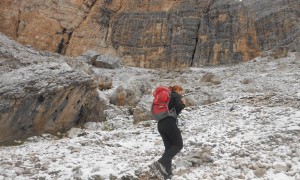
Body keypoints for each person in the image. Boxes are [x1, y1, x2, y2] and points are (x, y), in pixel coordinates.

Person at [150, 85, 186, 179]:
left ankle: (167, 173)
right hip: (169, 122)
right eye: (181, 91)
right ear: (178, 90)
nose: (182, 93)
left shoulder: (165, 97)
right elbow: (178, 108)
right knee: (179, 145)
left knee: (169, 148)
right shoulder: (176, 95)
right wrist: (183, 104)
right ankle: (160, 162)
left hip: (160, 124)